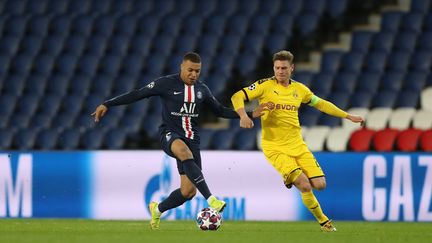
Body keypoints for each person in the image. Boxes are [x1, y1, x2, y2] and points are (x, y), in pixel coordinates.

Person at [92, 52, 266, 230]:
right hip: (170, 134)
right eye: (190, 70)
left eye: (197, 71)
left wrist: (251, 114)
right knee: (184, 152)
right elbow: (138, 94)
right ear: (182, 67)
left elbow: (220, 111)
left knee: (188, 192)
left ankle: (157, 209)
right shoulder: (166, 83)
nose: (194, 74)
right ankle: (211, 199)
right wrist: (107, 103)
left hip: (192, 139)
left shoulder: (202, 90)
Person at [231, 50, 364, 232]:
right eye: (277, 68)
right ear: (273, 68)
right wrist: (243, 115)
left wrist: (348, 116)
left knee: (320, 185)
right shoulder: (264, 85)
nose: (280, 71)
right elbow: (237, 96)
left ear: (291, 68)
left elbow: (321, 103)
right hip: (274, 147)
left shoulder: (300, 90)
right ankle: (324, 222)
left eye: (284, 68)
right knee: (304, 184)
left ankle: (291, 177)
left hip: (298, 145)